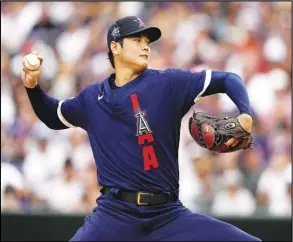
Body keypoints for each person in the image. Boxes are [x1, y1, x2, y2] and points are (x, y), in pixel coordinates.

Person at [22, 16, 261, 241]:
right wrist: (32, 87)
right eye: (136, 40)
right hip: (114, 215)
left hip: (167, 216)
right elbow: (52, 115)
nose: (145, 46)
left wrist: (245, 113)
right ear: (115, 47)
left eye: (147, 41)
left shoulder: (167, 83)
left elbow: (228, 78)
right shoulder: (92, 98)